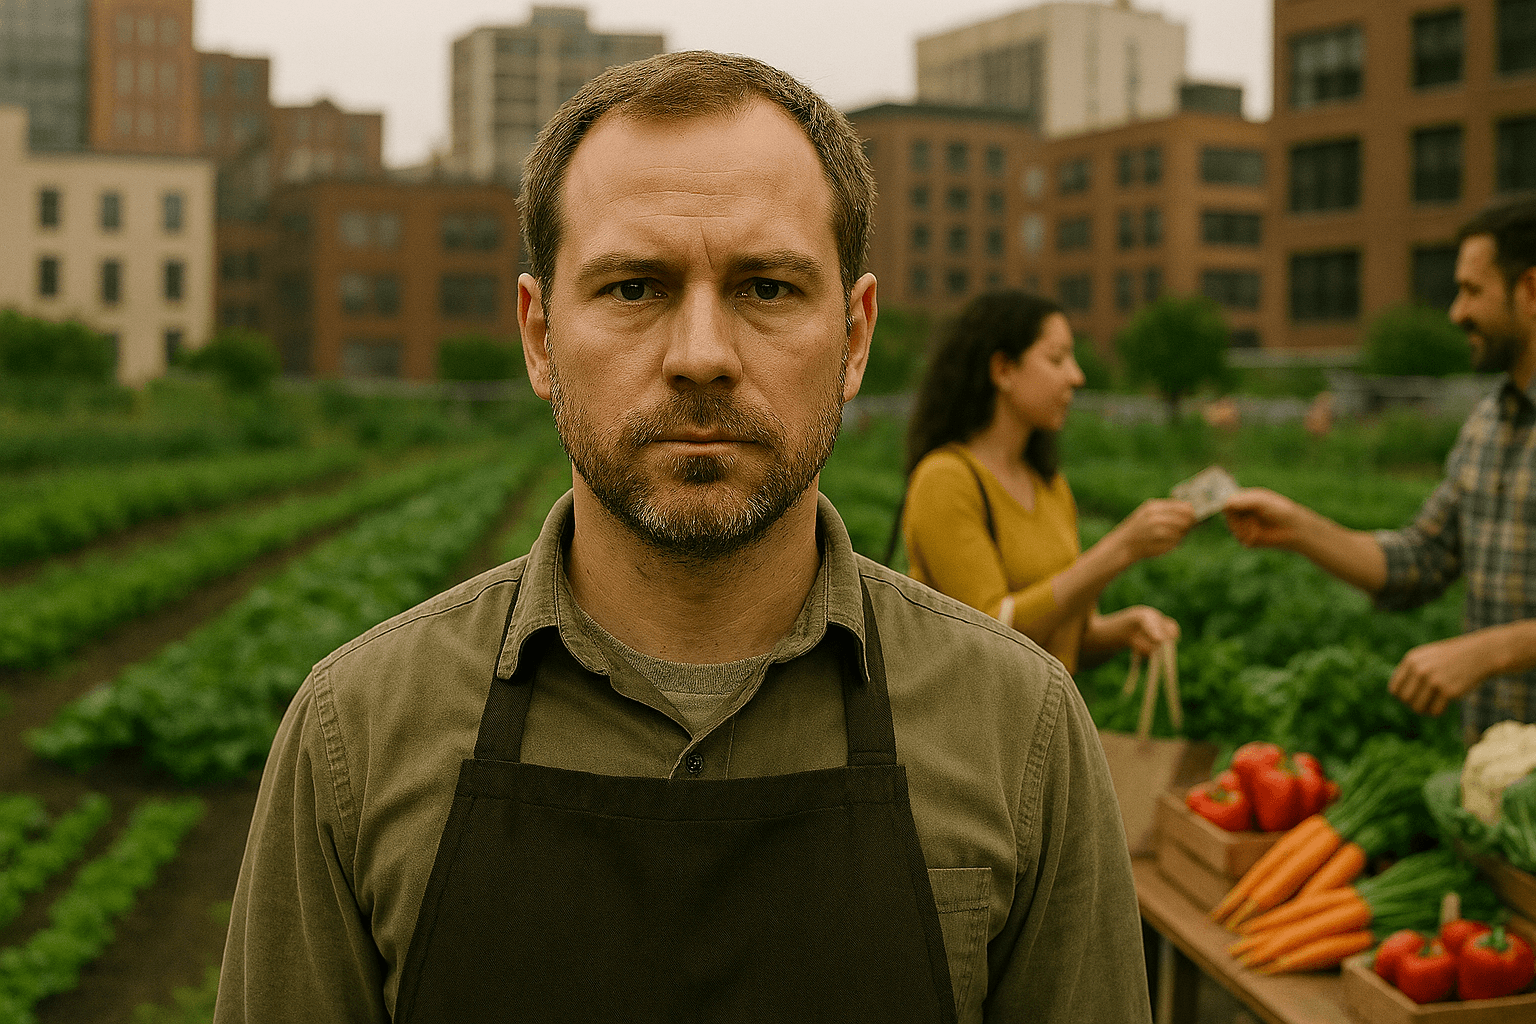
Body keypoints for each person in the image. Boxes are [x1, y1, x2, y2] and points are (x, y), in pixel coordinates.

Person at [213, 53, 1151, 1023]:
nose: (702, 355)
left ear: (856, 337)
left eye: (767, 288)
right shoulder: (357, 735)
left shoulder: (1020, 730)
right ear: (539, 337)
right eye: (634, 288)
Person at [1224, 196, 1536, 742]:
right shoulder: (1489, 423)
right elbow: (1422, 557)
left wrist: (1491, 651)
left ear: (1531, 290)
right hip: (1500, 771)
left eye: (1472, 291)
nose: (1456, 312)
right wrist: (1296, 527)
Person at [900, 291, 1195, 674]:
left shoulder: (1049, 484)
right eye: (1057, 359)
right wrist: (1121, 547)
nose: (1076, 376)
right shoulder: (945, 478)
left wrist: (1124, 629)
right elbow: (992, 630)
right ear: (1003, 370)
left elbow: (1063, 639)